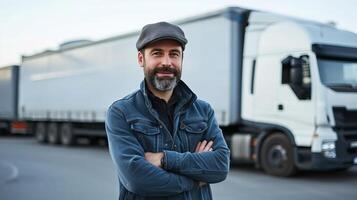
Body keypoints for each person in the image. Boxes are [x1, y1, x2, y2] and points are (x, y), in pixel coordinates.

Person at [105, 21, 230, 200]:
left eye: (174, 54)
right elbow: (137, 179)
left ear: (181, 60)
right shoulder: (121, 112)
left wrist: (164, 159)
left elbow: (220, 166)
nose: (167, 62)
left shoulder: (203, 111)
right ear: (141, 59)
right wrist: (195, 179)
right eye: (157, 53)